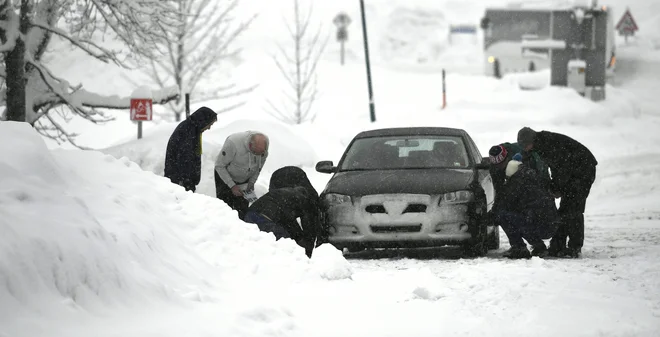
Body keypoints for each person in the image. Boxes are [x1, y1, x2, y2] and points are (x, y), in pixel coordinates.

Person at [517, 127, 598, 258]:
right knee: (566, 209)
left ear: (531, 141)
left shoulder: (549, 145)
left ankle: (574, 247)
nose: (525, 148)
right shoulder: (538, 144)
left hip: (583, 170)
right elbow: (556, 168)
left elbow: (562, 169)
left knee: (574, 209)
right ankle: (557, 245)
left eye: (525, 145)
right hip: (572, 171)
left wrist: (556, 188)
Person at [494, 154, 561, 259]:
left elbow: (504, 205)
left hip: (539, 224)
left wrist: (487, 218)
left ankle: (519, 247)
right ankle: (539, 247)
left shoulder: (516, 184)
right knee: (522, 217)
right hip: (552, 224)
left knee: (503, 216)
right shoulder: (533, 176)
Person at [244, 185, 322, 258]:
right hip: (263, 217)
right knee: (286, 242)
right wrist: (300, 239)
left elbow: (287, 219)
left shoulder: (285, 193)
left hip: (250, 214)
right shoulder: (299, 199)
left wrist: (298, 237)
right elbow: (289, 220)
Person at [214, 131, 269, 220]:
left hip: (245, 177)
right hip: (225, 175)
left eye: (261, 153)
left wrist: (251, 183)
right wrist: (232, 186)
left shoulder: (263, 148)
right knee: (225, 209)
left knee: (242, 211)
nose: (259, 155)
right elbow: (219, 166)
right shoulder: (233, 143)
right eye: (255, 152)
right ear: (250, 146)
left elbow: (258, 168)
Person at [164, 106, 217, 192]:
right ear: (203, 121)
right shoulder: (188, 131)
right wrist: (187, 183)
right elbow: (185, 159)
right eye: (209, 124)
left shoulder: (193, 129)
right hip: (180, 183)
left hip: (182, 182)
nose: (209, 128)